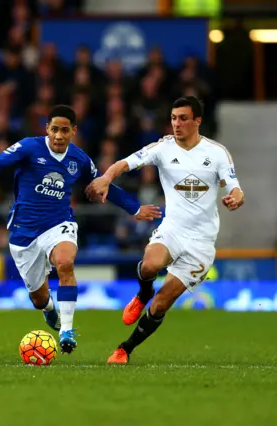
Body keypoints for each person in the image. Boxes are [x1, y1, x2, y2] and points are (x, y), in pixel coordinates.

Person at [0, 105, 161, 354]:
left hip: (59, 224)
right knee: (38, 299)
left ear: (73, 131)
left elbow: (101, 183)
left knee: (65, 263)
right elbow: (0, 162)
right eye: (54, 129)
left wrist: (134, 208)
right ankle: (49, 310)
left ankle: (67, 330)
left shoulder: (78, 159)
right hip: (24, 231)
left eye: (64, 130)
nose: (59, 135)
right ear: (47, 129)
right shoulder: (29, 147)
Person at [85, 96, 244, 364]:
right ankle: (142, 292)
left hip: (202, 242)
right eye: (173, 118)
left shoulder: (216, 152)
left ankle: (124, 349)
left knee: (161, 304)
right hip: (172, 229)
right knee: (149, 266)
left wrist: (236, 198)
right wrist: (105, 178)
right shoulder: (162, 148)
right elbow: (124, 163)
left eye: (183, 118)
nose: (177, 124)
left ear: (198, 121)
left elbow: (235, 187)